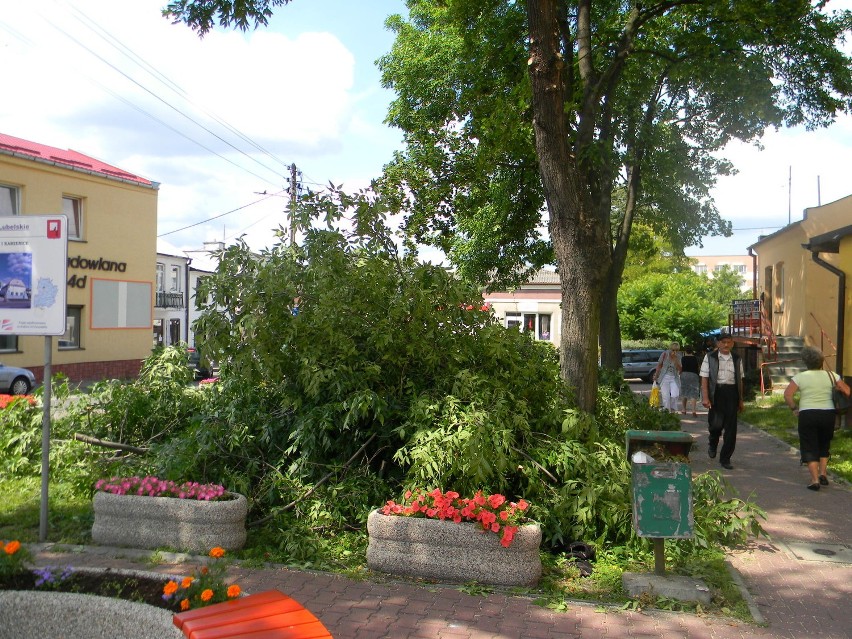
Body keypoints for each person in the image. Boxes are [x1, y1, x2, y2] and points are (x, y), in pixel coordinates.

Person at [783, 346, 851, 491]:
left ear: (805, 362)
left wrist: (794, 409)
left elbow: (787, 394)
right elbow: (847, 391)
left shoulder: (800, 377)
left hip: (807, 414)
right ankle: (823, 473)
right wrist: (838, 389)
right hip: (828, 414)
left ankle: (814, 480)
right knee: (824, 443)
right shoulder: (832, 375)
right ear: (821, 361)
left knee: (809, 446)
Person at [700, 332, 744, 470]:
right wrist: (706, 397)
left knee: (731, 429)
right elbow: (705, 378)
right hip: (716, 393)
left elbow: (740, 380)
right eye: (723, 342)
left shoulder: (737, 358)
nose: (726, 345)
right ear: (718, 344)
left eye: (729, 342)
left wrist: (741, 400)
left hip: (731, 394)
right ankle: (713, 443)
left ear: (732, 343)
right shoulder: (710, 358)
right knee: (715, 425)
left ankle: (725, 459)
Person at [654, 342, 682, 412]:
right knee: (665, 397)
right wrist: (656, 375)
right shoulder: (664, 354)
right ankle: (667, 412)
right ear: (670, 349)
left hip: (674, 378)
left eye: (676, 350)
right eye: (673, 350)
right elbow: (659, 365)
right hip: (664, 377)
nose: (674, 352)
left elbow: (680, 370)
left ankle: (673, 408)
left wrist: (676, 360)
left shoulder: (679, 356)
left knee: (675, 394)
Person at [679, 348, 701, 416]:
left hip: (684, 374)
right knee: (694, 392)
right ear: (692, 351)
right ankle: (693, 410)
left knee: (684, 391)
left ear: (685, 351)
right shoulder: (696, 358)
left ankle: (683, 409)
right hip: (694, 374)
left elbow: (680, 367)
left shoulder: (682, 358)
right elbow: (699, 368)